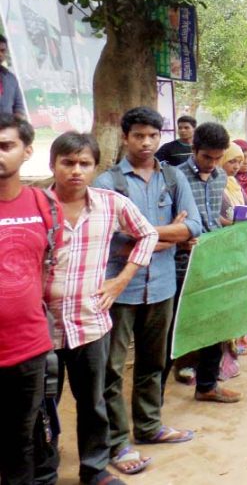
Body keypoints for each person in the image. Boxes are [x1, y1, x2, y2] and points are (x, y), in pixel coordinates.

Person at [46, 132, 158, 482]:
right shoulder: (35, 206)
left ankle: (94, 470)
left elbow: (148, 234)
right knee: (40, 407)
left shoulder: (111, 204)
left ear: (95, 167)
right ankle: (43, 471)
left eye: (84, 163)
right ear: (53, 165)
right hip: (40, 327)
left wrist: (121, 280)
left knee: (93, 403)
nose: (76, 171)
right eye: (68, 163)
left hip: (90, 323)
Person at [92, 107, 202, 460]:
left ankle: (149, 425)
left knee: (154, 363)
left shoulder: (172, 179)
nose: (146, 142)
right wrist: (169, 236)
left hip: (162, 286)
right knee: (111, 367)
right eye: (138, 135)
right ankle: (117, 442)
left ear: (161, 137)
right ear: (125, 138)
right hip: (119, 288)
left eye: (153, 135)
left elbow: (194, 227)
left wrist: (141, 234)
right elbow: (108, 236)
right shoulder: (108, 184)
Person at [0, 115, 62, 485]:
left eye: (6, 146)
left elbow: (46, 266)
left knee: (21, 442)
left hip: (28, 350)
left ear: (27, 152)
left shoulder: (43, 204)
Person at [172, 123, 242, 404]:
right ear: (194, 150)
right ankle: (156, 398)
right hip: (180, 262)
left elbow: (212, 219)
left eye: (217, 158)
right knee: (175, 327)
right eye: (207, 158)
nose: (213, 164)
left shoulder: (219, 178)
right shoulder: (174, 177)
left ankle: (207, 385)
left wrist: (238, 226)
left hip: (212, 260)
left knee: (216, 323)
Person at [0, 36, 26, 119]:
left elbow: (19, 107)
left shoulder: (11, 79)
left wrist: (15, 125)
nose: (0, 54)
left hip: (7, 128)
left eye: (3, 51)